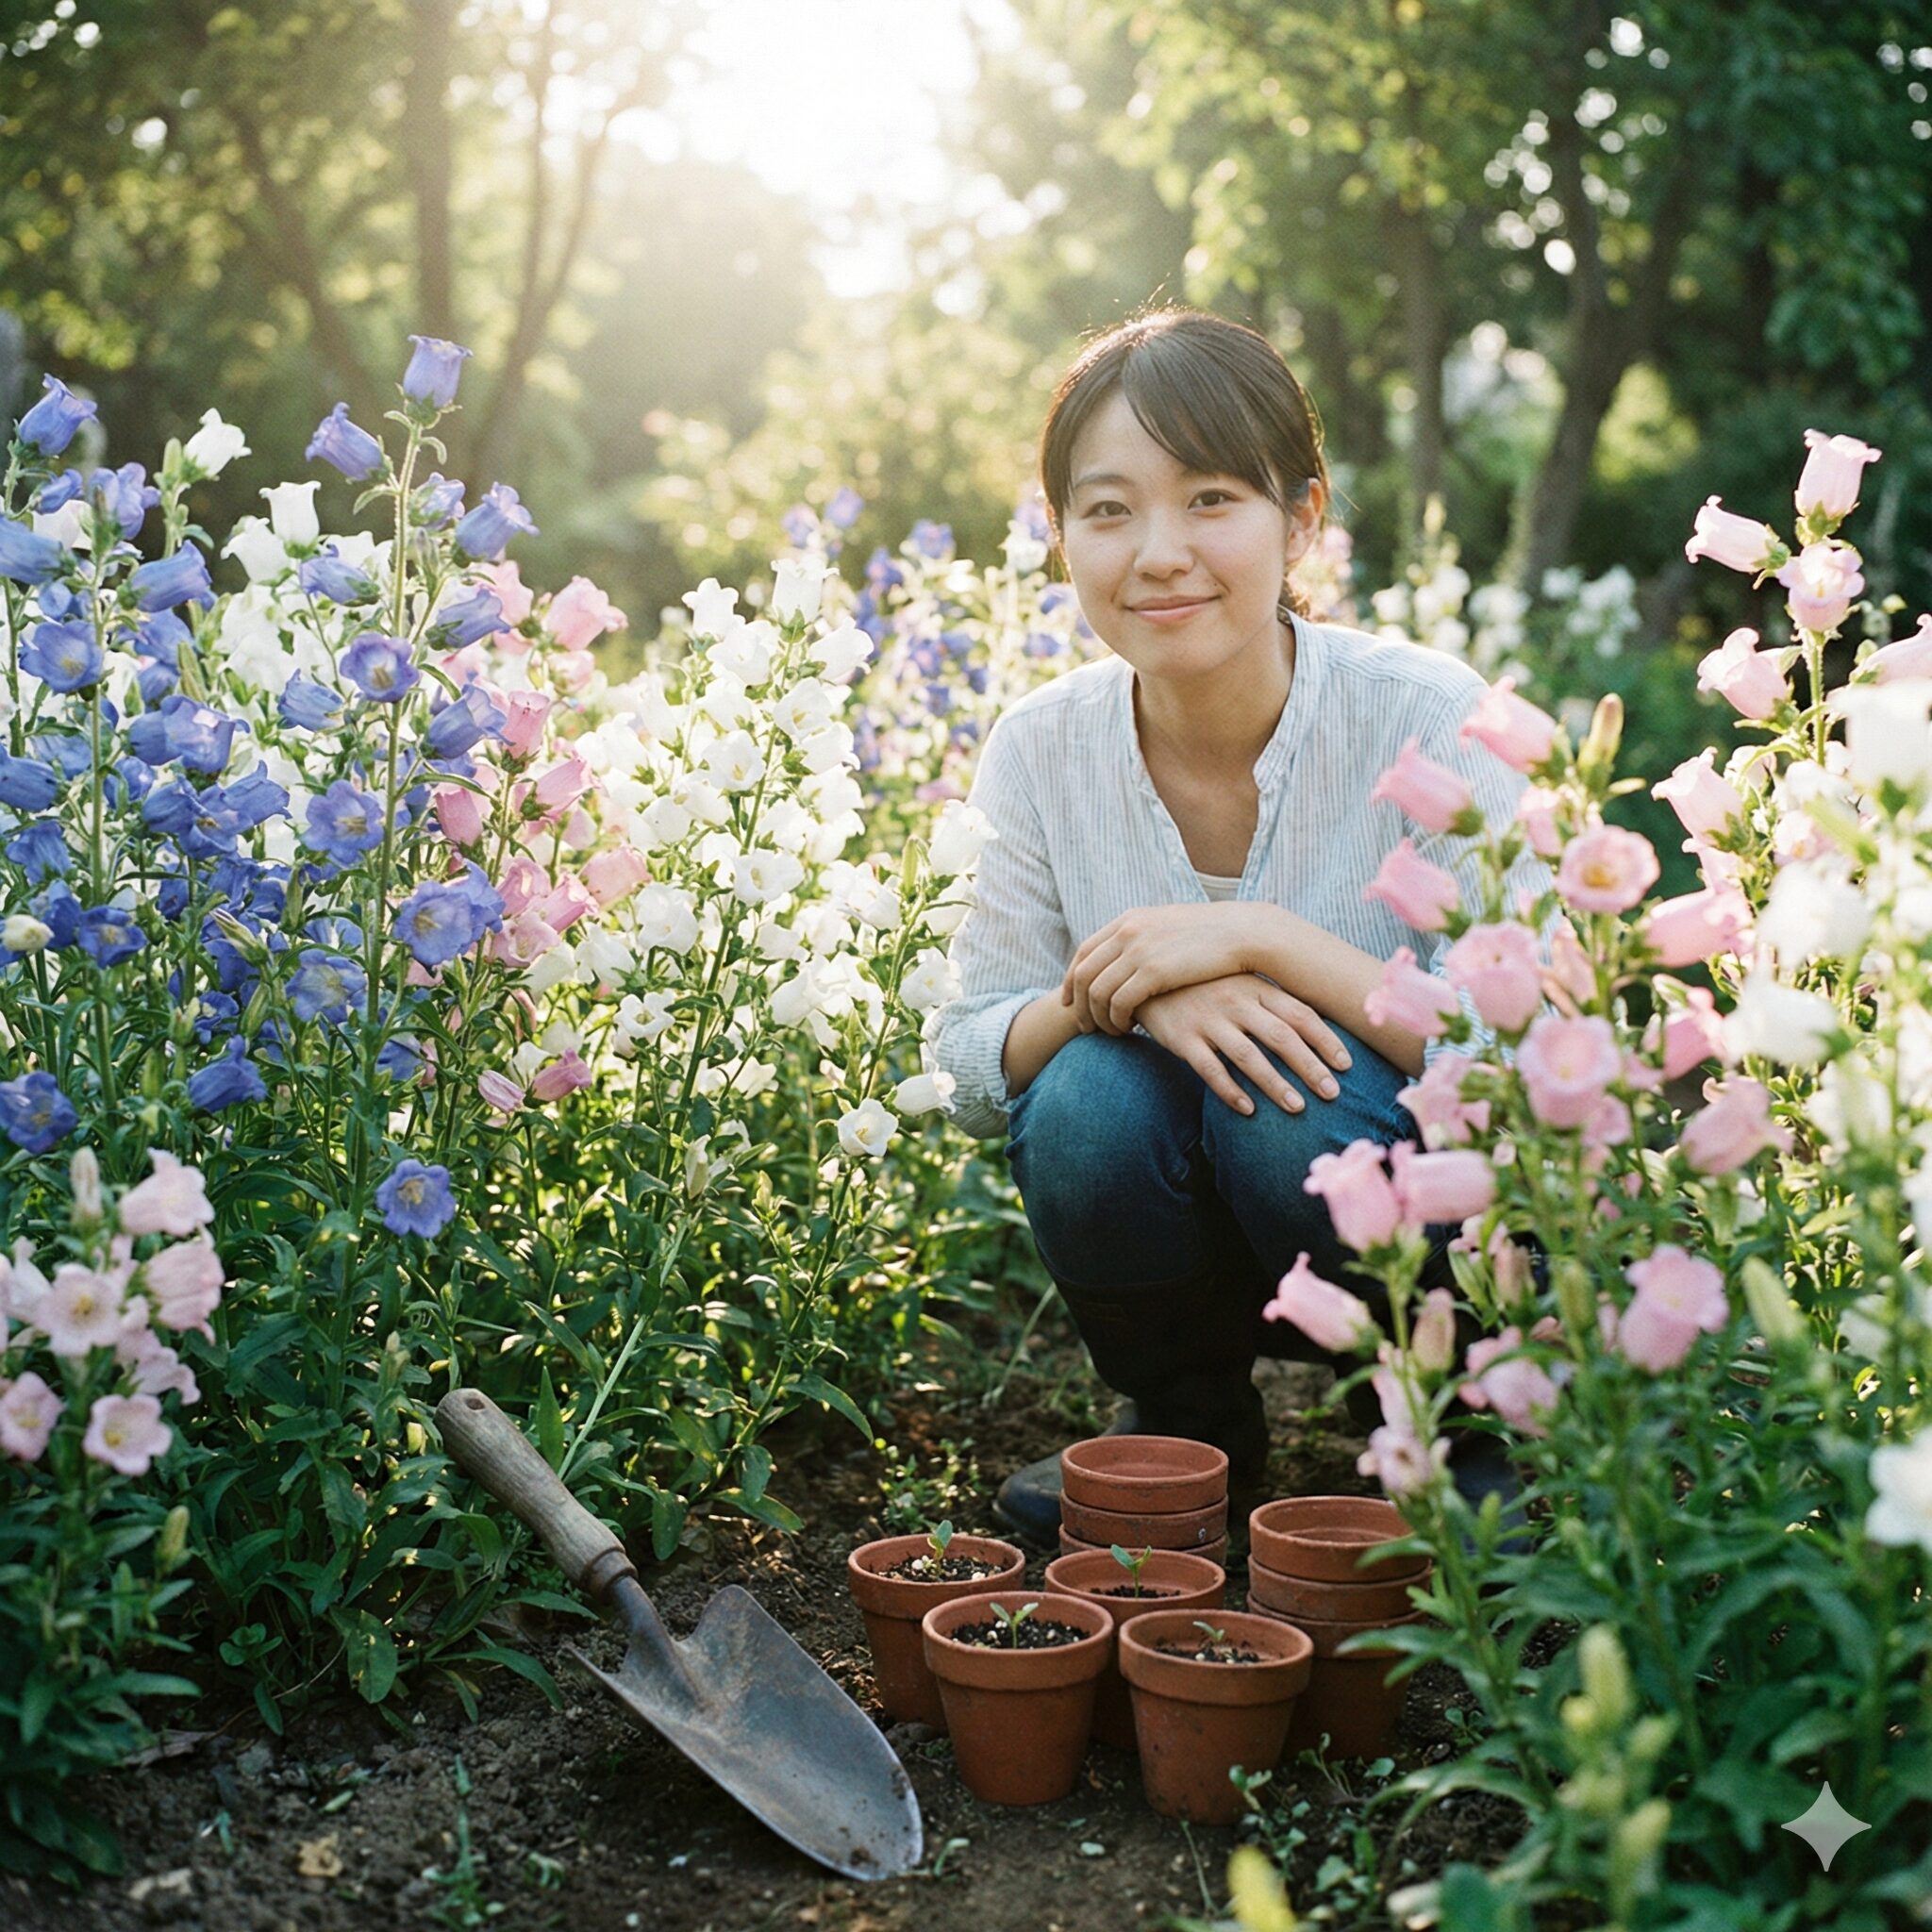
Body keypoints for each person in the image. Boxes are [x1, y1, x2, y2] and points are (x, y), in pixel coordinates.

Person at [924, 308, 1550, 1541]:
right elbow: (969, 1064)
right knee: (1088, 1096)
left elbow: (1525, 1066)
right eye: (1108, 510)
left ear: (1303, 518)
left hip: (1409, 1206)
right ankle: (1185, 1421)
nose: (1159, 552)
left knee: (1287, 1104)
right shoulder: (1042, 749)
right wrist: (1127, 987)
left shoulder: (1429, 721)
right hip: (1184, 1189)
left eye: (1211, 498)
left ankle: (1458, 1419)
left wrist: (1264, 940)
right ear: (1063, 538)